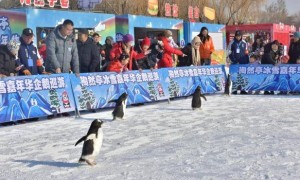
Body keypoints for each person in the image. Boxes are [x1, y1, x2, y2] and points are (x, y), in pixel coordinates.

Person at [45, 19, 79, 118]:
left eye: (71, 30)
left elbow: (75, 55)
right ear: (63, 27)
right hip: (53, 69)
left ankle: (63, 109)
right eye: (68, 29)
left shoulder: (71, 39)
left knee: (64, 90)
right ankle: (51, 111)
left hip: (65, 69)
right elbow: (51, 53)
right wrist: (57, 67)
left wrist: (76, 70)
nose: (69, 32)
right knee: (53, 91)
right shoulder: (53, 36)